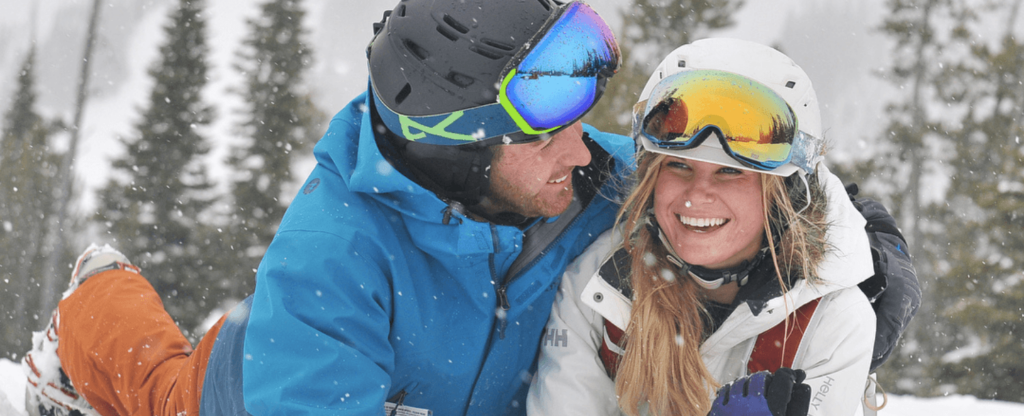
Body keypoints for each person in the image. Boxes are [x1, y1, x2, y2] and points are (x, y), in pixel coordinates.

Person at [21, 2, 917, 415]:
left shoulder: (565, 175)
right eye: (550, 138)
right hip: (268, 386)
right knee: (162, 387)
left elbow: (720, 183)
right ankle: (92, 303)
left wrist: (863, 250)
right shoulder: (330, 259)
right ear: (469, 150)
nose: (589, 152)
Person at [526, 38, 918, 416]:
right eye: (679, 166)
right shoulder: (601, 287)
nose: (698, 195)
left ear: (781, 195)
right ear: (650, 177)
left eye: (730, 172)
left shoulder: (829, 319)